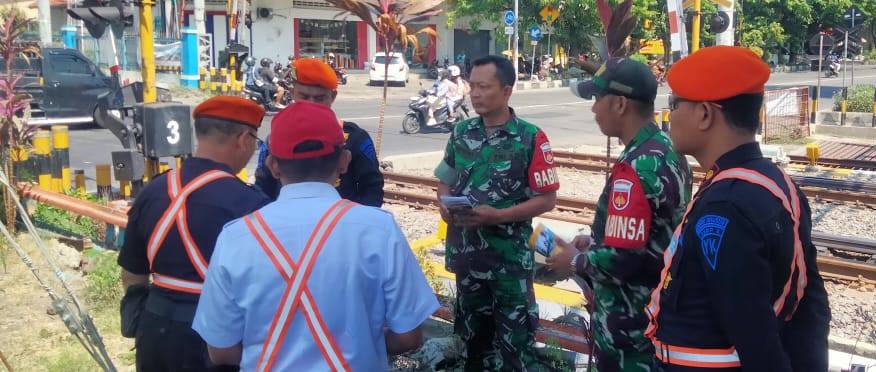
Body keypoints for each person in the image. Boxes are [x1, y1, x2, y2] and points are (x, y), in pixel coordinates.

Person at [193, 101, 439, 370]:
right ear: (344, 161)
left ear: (274, 166)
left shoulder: (236, 237)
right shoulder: (379, 230)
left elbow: (222, 351)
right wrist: (364, 346)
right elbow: (409, 337)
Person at [644, 46, 831, 371]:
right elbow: (810, 305)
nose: (669, 115)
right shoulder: (776, 183)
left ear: (705, 114)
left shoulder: (726, 206)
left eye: (675, 104)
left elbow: (757, 341)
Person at [545, 57, 691, 372]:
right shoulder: (665, 148)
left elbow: (624, 258)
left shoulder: (635, 167)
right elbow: (648, 235)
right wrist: (595, 241)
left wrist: (573, 260)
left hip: (629, 330)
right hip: (657, 318)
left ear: (620, 104)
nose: (594, 108)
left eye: (598, 99)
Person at [117, 96, 270, 371]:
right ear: (243, 138)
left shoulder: (153, 190)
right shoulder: (250, 203)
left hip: (155, 330)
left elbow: (132, 274)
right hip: (215, 337)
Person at [434, 54, 560, 371]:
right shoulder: (462, 133)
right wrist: (445, 204)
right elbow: (444, 181)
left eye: (483, 87)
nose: (474, 94)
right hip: (468, 260)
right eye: (472, 86)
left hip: (509, 266)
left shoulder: (531, 137)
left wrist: (499, 216)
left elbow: (547, 199)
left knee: (516, 347)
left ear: (506, 91)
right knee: (472, 345)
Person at [254, 58, 385, 207]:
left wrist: (357, 225)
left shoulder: (355, 139)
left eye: (319, 98)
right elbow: (262, 190)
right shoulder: (275, 139)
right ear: (292, 93)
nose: (311, 104)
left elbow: (372, 189)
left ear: (333, 97)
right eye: (304, 97)